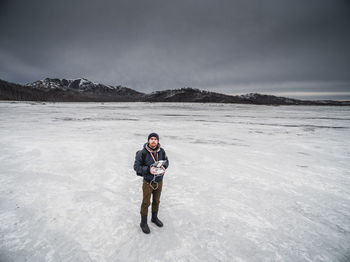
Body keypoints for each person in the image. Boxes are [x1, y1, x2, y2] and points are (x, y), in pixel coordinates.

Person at [133, 132, 169, 234]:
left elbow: (167, 161)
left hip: (159, 181)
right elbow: (136, 167)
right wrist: (149, 169)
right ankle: (143, 223)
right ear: (148, 140)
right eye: (151, 139)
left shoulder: (161, 151)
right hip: (148, 182)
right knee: (146, 203)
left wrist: (164, 166)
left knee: (157, 201)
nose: (153, 140)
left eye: (155, 139)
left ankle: (154, 218)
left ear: (158, 141)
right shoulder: (142, 153)